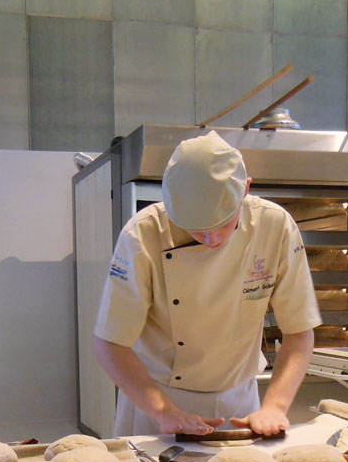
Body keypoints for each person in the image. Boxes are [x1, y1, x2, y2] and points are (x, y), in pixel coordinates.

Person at [93, 131, 322, 437]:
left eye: (223, 223)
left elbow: (299, 330)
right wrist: (163, 410)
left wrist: (276, 406)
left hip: (240, 401)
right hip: (156, 401)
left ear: (246, 190)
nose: (211, 238)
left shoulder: (274, 225)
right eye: (196, 229)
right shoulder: (143, 233)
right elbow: (110, 344)